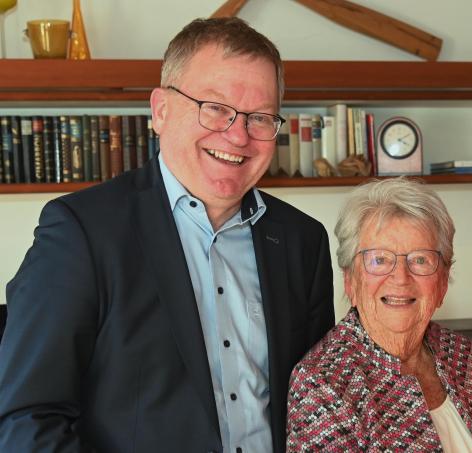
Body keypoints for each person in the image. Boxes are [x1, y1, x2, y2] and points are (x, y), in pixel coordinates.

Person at [0, 18, 334, 452]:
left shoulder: (302, 241)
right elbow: (26, 417)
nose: (237, 135)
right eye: (214, 107)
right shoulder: (82, 232)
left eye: (260, 117)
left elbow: (318, 409)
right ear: (160, 111)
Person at [286, 178, 472, 451]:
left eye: (420, 259)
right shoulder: (323, 383)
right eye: (379, 259)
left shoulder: (463, 356)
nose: (401, 278)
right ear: (350, 280)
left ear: (442, 281)